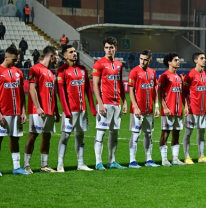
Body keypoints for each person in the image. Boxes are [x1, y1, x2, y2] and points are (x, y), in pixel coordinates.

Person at [0, 47, 29, 176]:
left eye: (17, 59)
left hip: (16, 113)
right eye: (14, 59)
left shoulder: (18, 72)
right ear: (6, 57)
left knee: (15, 138)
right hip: (3, 113)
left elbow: (21, 94)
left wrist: (23, 111)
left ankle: (16, 167)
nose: (16, 62)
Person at [56, 45, 97, 172]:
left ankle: (81, 163)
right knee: (65, 137)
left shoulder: (83, 69)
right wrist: (66, 111)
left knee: (80, 137)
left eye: (75, 51)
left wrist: (92, 108)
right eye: (71, 52)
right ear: (65, 55)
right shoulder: (61, 71)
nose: (75, 53)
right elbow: (61, 93)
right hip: (70, 111)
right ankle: (60, 164)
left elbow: (88, 91)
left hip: (82, 111)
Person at [92, 36, 127, 169]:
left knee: (114, 133)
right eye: (106, 47)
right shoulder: (99, 64)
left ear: (115, 48)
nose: (108, 50)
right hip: (105, 103)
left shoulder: (119, 65)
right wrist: (100, 103)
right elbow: (95, 85)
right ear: (104, 48)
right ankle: (98, 162)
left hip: (117, 103)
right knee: (101, 132)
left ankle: (111, 161)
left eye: (111, 48)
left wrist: (124, 102)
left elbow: (120, 85)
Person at [24, 46, 60, 173]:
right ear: (51, 56)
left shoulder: (51, 72)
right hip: (37, 110)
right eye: (56, 55)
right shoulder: (35, 69)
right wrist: (38, 107)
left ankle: (44, 165)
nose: (58, 57)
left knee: (47, 136)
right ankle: (26, 165)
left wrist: (56, 111)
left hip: (49, 110)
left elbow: (52, 93)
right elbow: (31, 89)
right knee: (33, 135)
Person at [127, 50, 160, 168]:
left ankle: (148, 159)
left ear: (150, 60)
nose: (142, 61)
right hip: (137, 111)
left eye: (145, 59)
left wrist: (156, 106)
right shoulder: (134, 71)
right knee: (135, 135)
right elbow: (130, 90)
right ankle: (132, 160)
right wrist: (135, 107)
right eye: (141, 59)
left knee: (148, 134)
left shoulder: (153, 72)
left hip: (149, 110)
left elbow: (155, 89)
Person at [182, 52, 206, 164]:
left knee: (201, 133)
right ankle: (187, 157)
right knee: (188, 133)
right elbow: (184, 92)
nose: (204, 60)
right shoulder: (190, 74)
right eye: (201, 58)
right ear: (196, 61)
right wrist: (185, 106)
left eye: (204, 58)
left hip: (202, 110)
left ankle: (201, 156)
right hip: (191, 110)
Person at [157, 53, 185, 166]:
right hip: (168, 111)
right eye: (175, 60)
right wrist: (164, 107)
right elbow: (159, 93)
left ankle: (175, 158)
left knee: (176, 133)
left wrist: (185, 107)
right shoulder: (164, 76)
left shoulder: (179, 77)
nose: (178, 62)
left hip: (178, 111)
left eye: (178, 60)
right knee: (165, 133)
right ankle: (164, 159)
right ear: (169, 62)